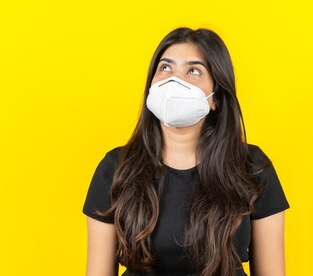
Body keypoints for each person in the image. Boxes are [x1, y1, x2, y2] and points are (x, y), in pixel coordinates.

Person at [82, 27, 290, 276]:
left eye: (193, 71)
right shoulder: (116, 168)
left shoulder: (253, 168)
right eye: (166, 68)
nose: (175, 81)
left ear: (216, 98)